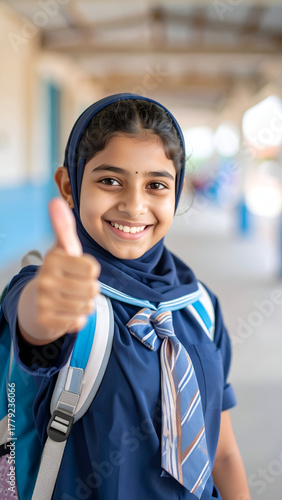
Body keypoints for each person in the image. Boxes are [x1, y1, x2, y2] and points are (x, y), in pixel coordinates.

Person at [2, 93, 251, 500]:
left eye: (156, 185)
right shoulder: (51, 290)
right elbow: (34, 321)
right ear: (69, 185)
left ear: (176, 192)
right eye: (109, 180)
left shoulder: (198, 305)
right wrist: (46, 308)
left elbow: (221, 452)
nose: (134, 205)